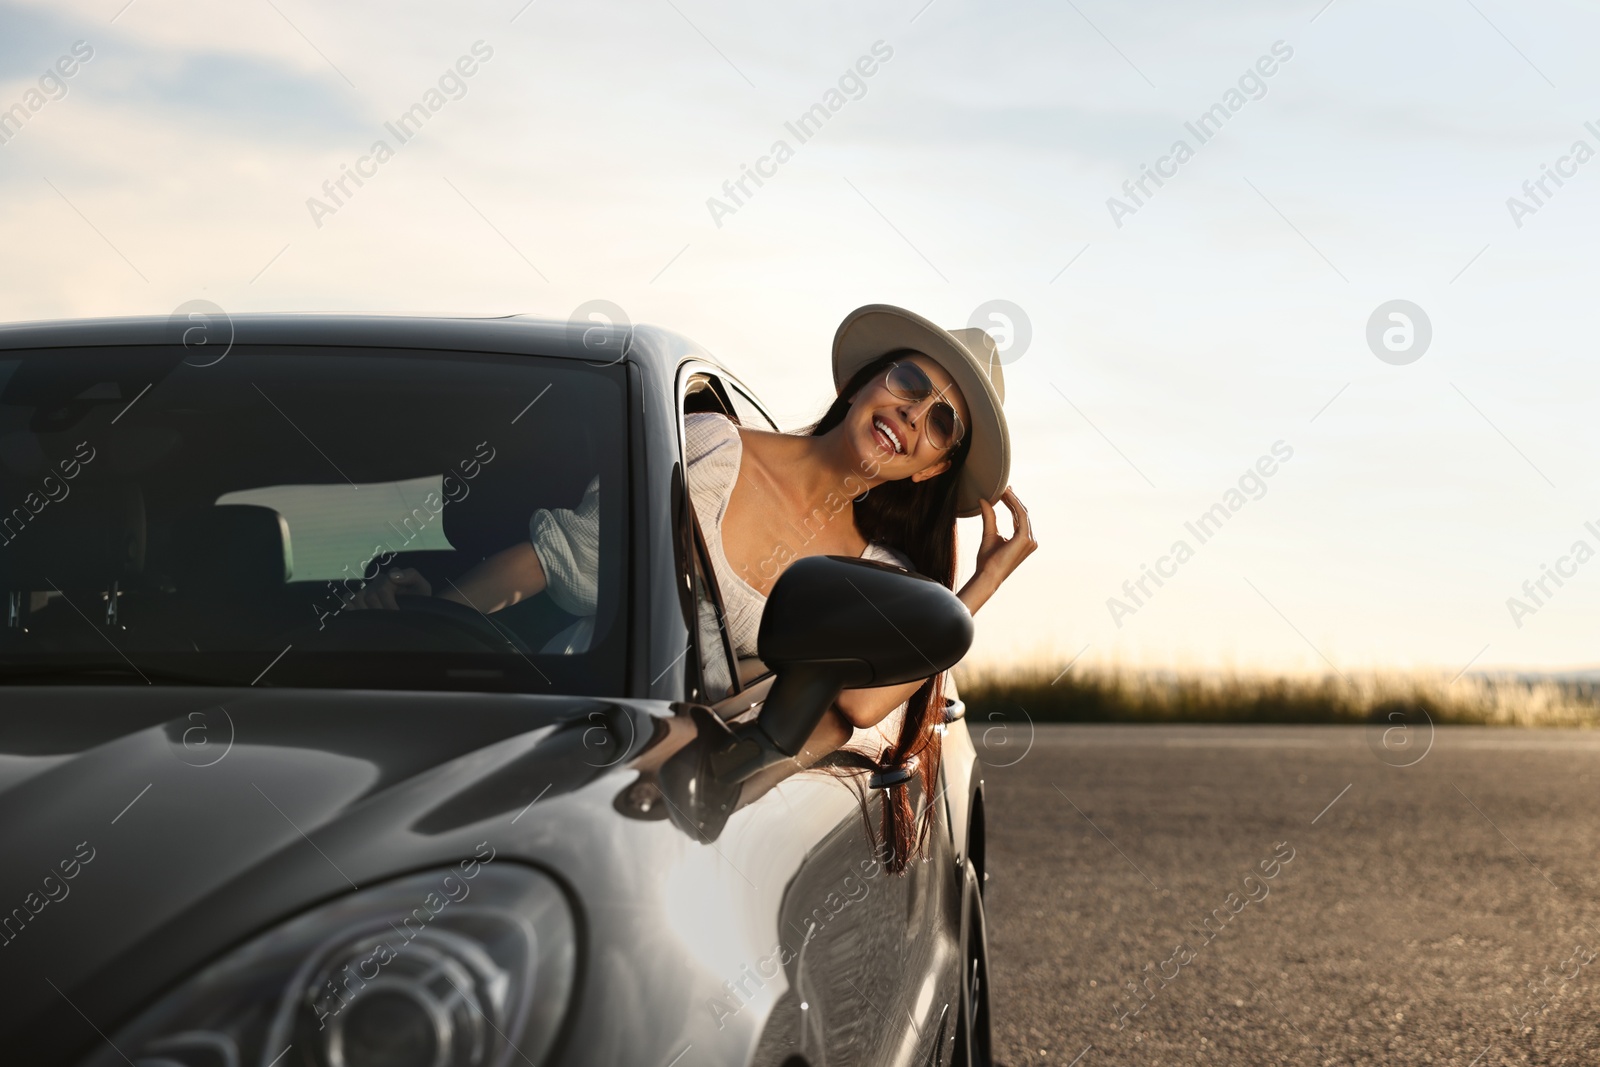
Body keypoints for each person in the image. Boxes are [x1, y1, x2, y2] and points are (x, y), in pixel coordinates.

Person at [348, 304, 1038, 866]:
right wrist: (432, 621)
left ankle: (709, 780)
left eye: (940, 421)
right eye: (910, 383)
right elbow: (558, 561)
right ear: (861, 383)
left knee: (818, 695)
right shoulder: (708, 445)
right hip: (591, 737)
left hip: (717, 797)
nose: (915, 414)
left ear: (929, 469)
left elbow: (856, 704)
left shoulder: (882, 577)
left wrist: (977, 587)